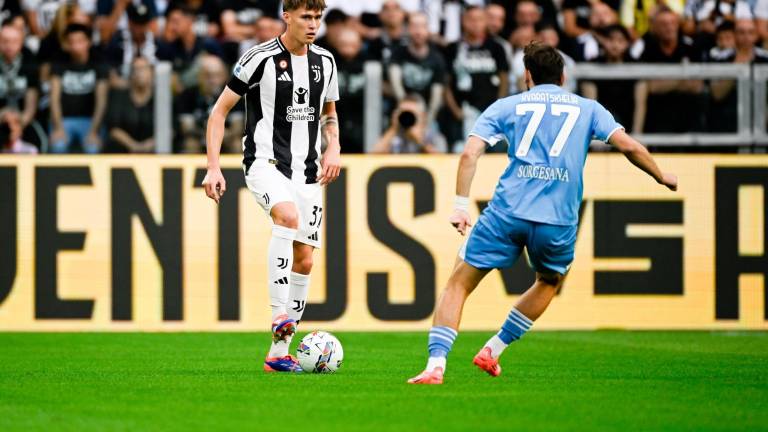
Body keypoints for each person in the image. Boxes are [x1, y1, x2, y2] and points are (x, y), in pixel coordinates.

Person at [408, 42, 678, 385]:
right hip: (557, 219)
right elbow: (629, 146)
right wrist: (661, 175)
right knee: (549, 281)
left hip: (508, 212)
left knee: (459, 283)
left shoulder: (506, 105)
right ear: (563, 77)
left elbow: (469, 154)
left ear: (527, 76)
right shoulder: (589, 109)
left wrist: (461, 206)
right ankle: (494, 348)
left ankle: (436, 365)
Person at [202, 0, 341, 373]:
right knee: (287, 216)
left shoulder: (326, 62)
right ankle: (279, 313)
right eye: (306, 17)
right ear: (287, 16)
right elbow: (219, 112)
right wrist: (213, 167)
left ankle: (278, 353)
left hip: (308, 173)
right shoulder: (259, 58)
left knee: (305, 259)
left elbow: (329, 113)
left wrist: (334, 146)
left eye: (318, 17)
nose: (313, 24)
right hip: (266, 164)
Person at [49, 23, 109, 153]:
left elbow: (101, 101)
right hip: (63, 120)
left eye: (80, 41)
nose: (76, 46)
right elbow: (54, 98)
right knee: (58, 145)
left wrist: (94, 131)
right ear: (67, 44)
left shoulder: (99, 61)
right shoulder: (59, 60)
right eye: (72, 42)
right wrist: (58, 128)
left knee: (93, 148)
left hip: (90, 121)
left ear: (89, 42)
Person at [388, 12, 445, 124]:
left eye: (422, 26)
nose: (418, 32)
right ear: (407, 29)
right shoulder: (397, 53)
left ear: (428, 30)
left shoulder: (437, 58)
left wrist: (427, 121)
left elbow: (436, 95)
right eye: (414, 26)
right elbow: (396, 86)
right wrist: (406, 110)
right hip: (400, 112)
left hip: (427, 115)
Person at [105, 56, 155, 153]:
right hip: (123, 149)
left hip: (155, 150)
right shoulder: (119, 96)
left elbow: (170, 129)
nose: (139, 73)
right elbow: (113, 128)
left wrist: (148, 145)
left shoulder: (160, 98)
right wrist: (133, 145)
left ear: (151, 72)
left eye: (143, 68)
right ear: (130, 74)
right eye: (135, 69)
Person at [372, 94, 447, 154]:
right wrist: (394, 128)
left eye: (411, 114)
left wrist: (419, 140)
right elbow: (373, 156)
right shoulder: (393, 137)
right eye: (404, 113)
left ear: (423, 116)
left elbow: (441, 161)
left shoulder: (434, 137)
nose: (407, 118)